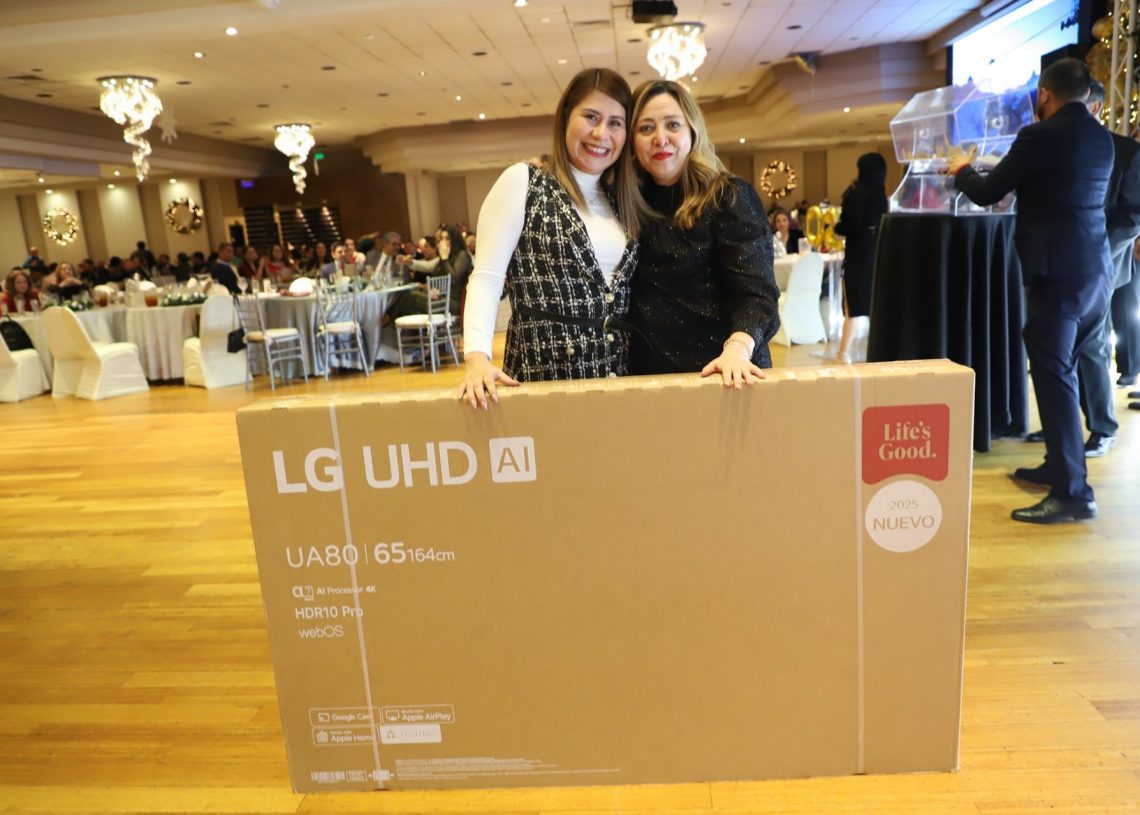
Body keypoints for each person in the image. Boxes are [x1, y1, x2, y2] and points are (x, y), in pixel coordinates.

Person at [947, 57, 1114, 524]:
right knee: (1066, 372)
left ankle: (1073, 494)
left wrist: (962, 169)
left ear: (1044, 93)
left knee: (1055, 378)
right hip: (1095, 270)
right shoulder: (1101, 137)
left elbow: (985, 192)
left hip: (1057, 276)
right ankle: (1059, 467)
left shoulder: (1038, 136)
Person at [459, 67, 640, 408]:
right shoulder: (524, 182)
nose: (601, 133)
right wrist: (477, 356)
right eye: (591, 117)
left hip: (619, 376)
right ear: (565, 117)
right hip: (543, 372)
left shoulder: (623, 200)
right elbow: (486, 276)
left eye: (616, 122)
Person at [626, 79, 779, 385]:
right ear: (631, 141)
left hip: (724, 373)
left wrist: (737, 349)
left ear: (692, 131)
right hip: (649, 380)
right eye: (646, 128)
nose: (660, 138)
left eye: (673, 125)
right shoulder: (627, 203)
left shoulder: (728, 196)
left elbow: (756, 294)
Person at [1024, 80, 1140, 456]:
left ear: (1095, 108)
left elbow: (1133, 216)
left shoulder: (1127, 151)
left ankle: (1103, 427)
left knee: (1091, 347)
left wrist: (1098, 250)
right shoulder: (1056, 147)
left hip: (1100, 265)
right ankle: (1063, 428)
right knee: (1057, 349)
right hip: (1059, 263)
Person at [832, 152, 889, 364]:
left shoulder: (857, 194)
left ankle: (843, 354)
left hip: (858, 253)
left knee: (853, 307)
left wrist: (836, 227)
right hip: (877, 250)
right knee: (875, 304)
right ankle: (879, 351)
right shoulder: (881, 196)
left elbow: (848, 225)